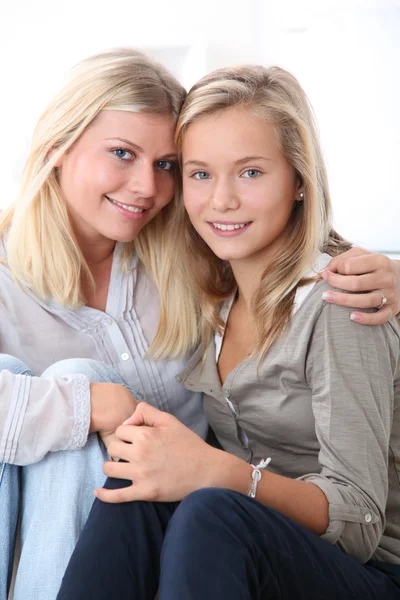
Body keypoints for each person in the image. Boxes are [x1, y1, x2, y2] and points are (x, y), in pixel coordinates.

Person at [57, 64, 400, 600]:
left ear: (300, 181)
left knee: (211, 509)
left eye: (251, 172)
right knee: (138, 478)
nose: (221, 201)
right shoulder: (208, 298)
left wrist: (216, 472)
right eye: (199, 174)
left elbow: (358, 525)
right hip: (251, 551)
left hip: (369, 572)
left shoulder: (339, 302)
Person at [0, 48, 211, 600]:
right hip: (53, 549)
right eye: (122, 153)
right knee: (66, 378)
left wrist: (389, 277)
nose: (147, 187)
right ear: (58, 151)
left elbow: (295, 247)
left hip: (189, 528)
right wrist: (93, 404)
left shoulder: (193, 248)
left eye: (166, 164)